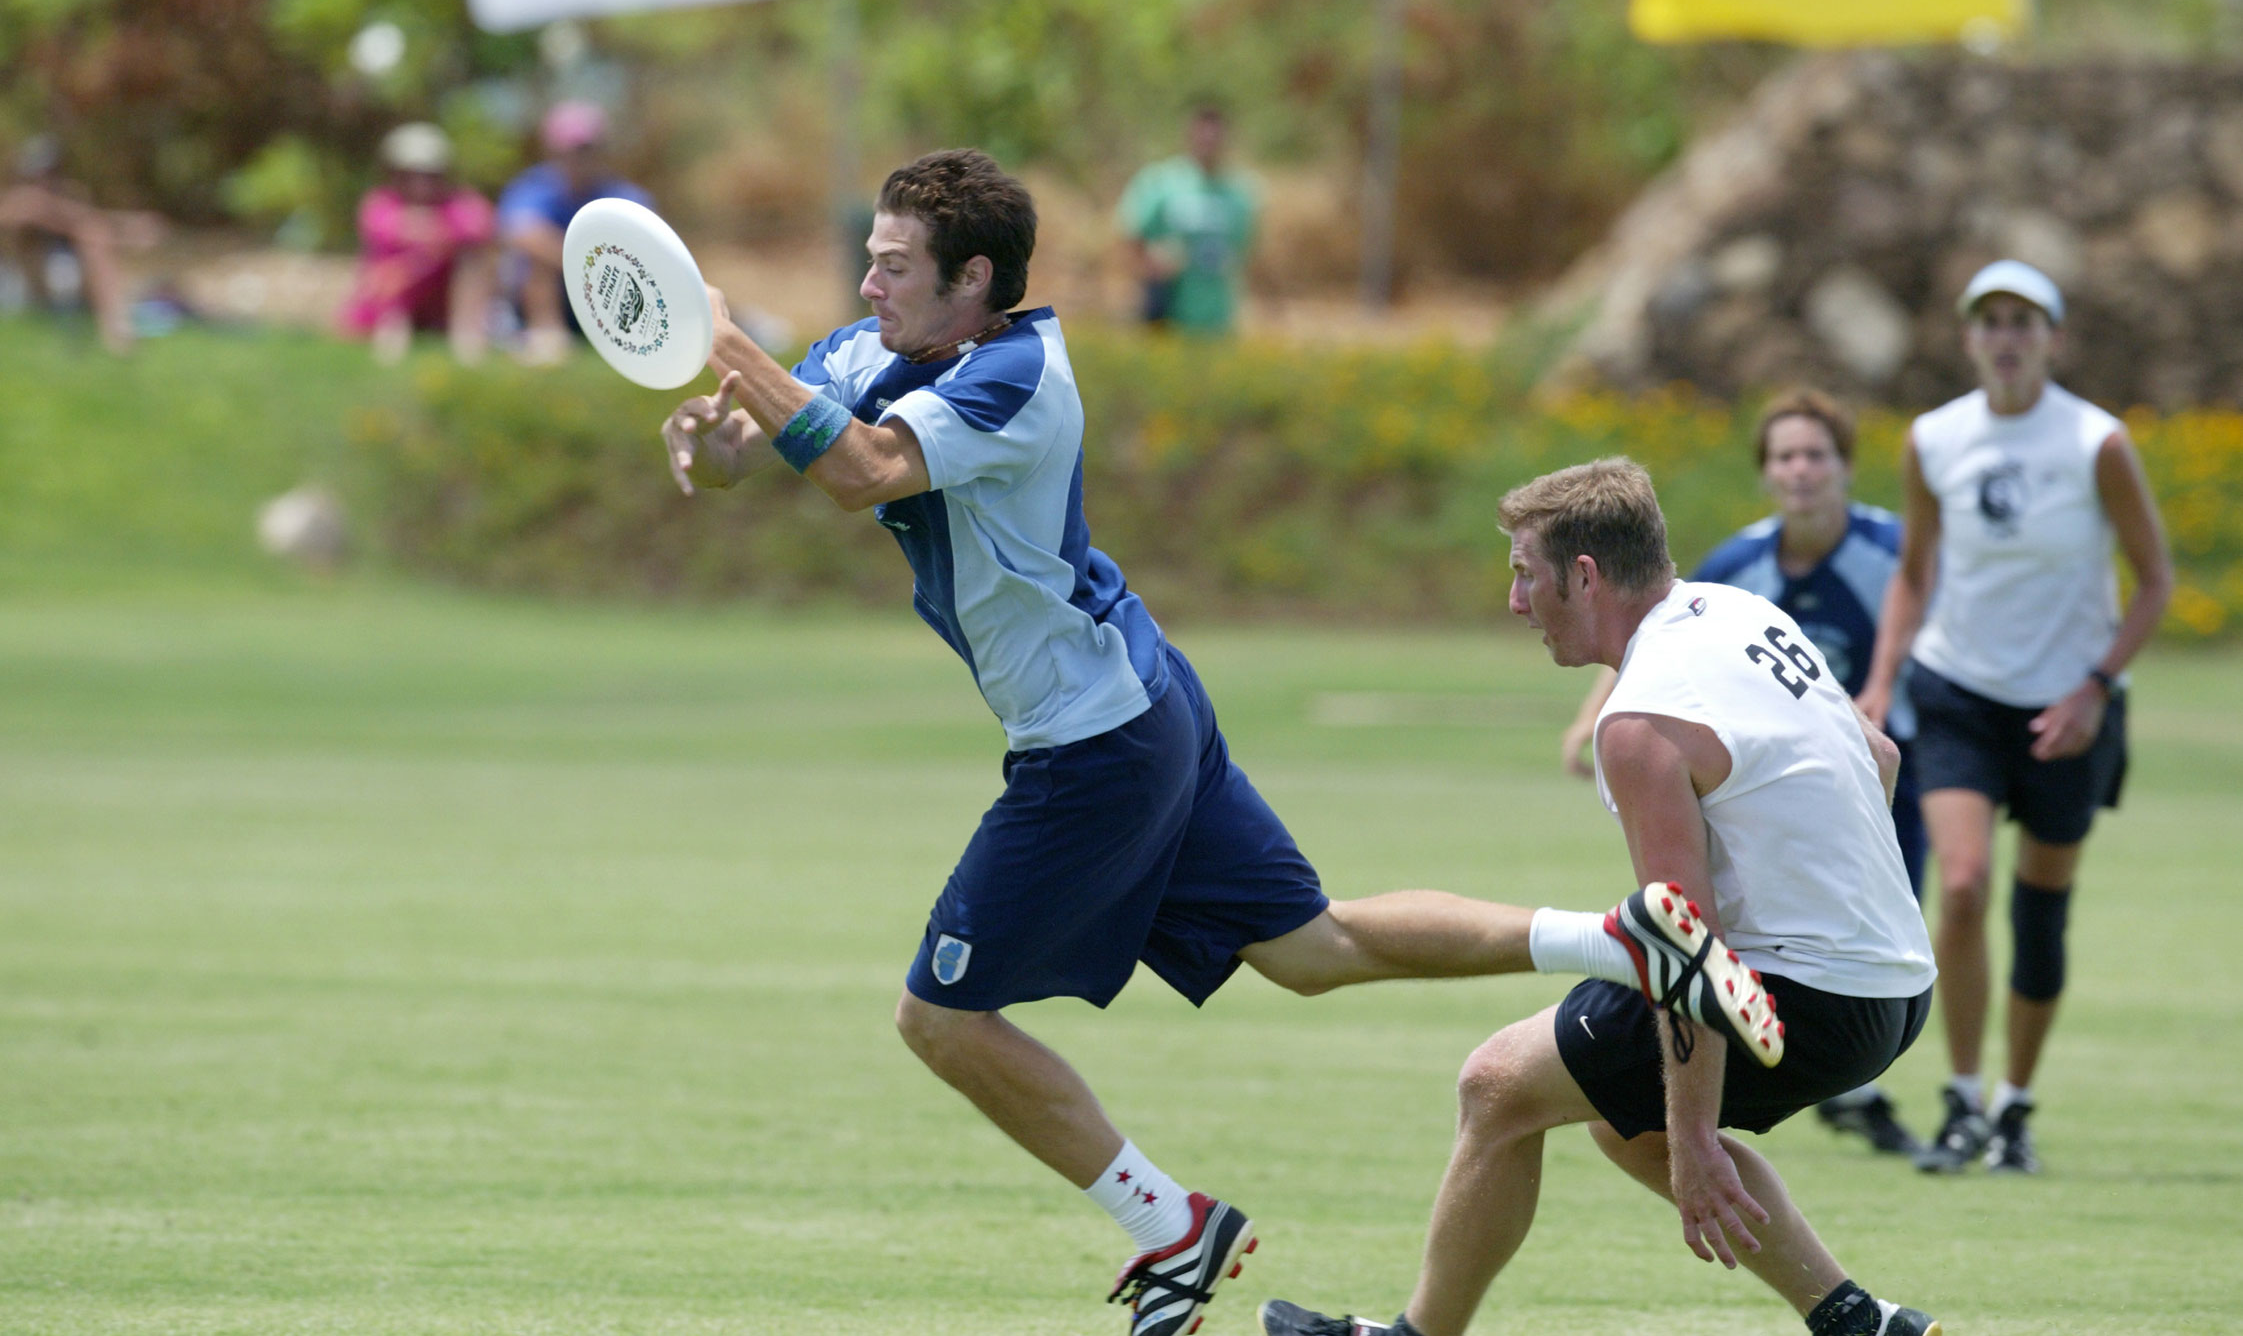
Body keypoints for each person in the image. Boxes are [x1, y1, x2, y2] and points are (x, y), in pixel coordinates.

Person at [658, 151, 1777, 1336]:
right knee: (1311, 948)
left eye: (892, 267)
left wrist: (722, 340)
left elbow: (862, 467)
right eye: (869, 263)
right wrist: (723, 444)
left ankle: (1170, 1228)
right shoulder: (873, 345)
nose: (867, 285)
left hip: (1092, 745)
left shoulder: (1019, 372)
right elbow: (790, 435)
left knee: (937, 1018)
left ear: (971, 279)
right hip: (1141, 696)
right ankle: (1626, 942)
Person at [1261, 458, 1940, 1336]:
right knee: (1620, 1117)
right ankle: (1857, 1323)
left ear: (1582, 576)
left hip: (1800, 999)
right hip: (1894, 983)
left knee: (1498, 1084)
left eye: (1522, 575)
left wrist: (1696, 1147)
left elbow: (1685, 944)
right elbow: (1877, 757)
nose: (1515, 603)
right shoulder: (1740, 611)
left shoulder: (1639, 722)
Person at [1858, 260, 2172, 1176]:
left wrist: (2093, 688)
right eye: (1989, 320)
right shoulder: (1935, 439)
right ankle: (1958, 1100)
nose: (2005, 336)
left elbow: (2154, 582)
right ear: (1968, 338)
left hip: (2066, 707)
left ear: (2053, 338)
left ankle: (2014, 1107)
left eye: (2023, 321)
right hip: (1958, 691)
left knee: (2040, 911)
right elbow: (1913, 572)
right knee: (1958, 885)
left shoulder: (2095, 441)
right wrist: (1882, 682)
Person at [1558, 388, 1927, 1156]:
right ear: (1765, 474)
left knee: (1497, 1083)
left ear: (1845, 468)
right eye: (1784, 456)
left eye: (1814, 455)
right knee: (1606, 1105)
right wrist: (1591, 715)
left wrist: (1887, 690)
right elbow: (1646, 635)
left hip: (1866, 774)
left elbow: (1886, 739)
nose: (1799, 471)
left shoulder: (1886, 553)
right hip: (1824, 796)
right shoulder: (1737, 572)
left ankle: (1874, 1089)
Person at [496, 100, 651, 363]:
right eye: (571, 151)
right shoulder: (533, 187)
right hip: (557, 286)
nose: (578, 159)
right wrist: (588, 261)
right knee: (537, 262)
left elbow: (647, 243)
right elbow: (522, 234)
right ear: (552, 152)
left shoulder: (624, 194)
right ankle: (548, 334)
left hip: (608, 288)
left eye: (586, 150)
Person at [339, 123, 496, 365]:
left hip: (443, 305)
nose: (421, 183)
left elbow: (483, 226)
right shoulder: (380, 202)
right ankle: (391, 343)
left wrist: (431, 236)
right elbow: (392, 230)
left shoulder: (458, 201)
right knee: (396, 273)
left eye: (431, 175)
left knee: (471, 260)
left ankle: (467, 338)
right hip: (390, 300)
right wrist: (441, 236)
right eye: (411, 174)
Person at [1117, 104, 1257, 336]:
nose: (1209, 142)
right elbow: (1130, 234)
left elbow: (1243, 252)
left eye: (1215, 136)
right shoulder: (1161, 181)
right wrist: (1152, 262)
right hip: (1167, 316)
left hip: (1217, 320)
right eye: (1203, 134)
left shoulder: (1239, 195)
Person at [0, 135, 138, 353]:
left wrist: (130, 227)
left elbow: (91, 219)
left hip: (63, 274)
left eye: (51, 171)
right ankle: (116, 327)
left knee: (95, 235)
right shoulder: (19, 201)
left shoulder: (69, 195)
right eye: (42, 172)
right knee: (94, 233)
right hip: (21, 281)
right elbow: (48, 215)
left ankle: (116, 325)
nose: (47, 178)